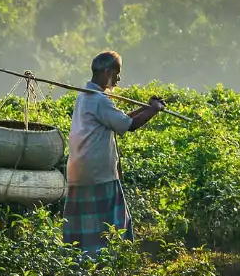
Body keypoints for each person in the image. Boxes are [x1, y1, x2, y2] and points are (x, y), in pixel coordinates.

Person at [62, 50, 165, 255]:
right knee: (112, 225)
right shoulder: (99, 100)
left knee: (84, 229)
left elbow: (119, 119)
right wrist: (154, 110)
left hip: (79, 170)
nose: (118, 79)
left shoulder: (85, 97)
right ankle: (107, 262)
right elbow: (129, 125)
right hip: (98, 174)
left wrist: (146, 108)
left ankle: (81, 262)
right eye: (117, 74)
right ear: (107, 72)